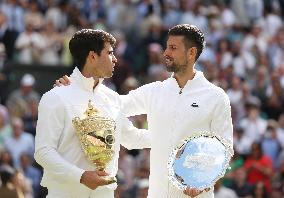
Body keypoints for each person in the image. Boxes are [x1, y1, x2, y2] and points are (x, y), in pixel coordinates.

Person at [56, 24, 234, 198]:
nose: (166, 53)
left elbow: (225, 149)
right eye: (167, 47)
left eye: (173, 48)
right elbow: (115, 104)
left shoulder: (216, 97)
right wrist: (77, 89)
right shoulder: (155, 91)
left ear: (192, 52)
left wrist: (203, 183)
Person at [34, 29, 151, 198]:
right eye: (110, 53)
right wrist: (81, 176)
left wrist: (175, 136)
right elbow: (43, 152)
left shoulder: (112, 98)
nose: (115, 59)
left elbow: (131, 138)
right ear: (92, 56)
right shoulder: (55, 97)